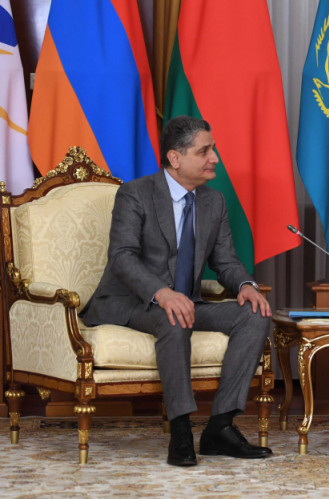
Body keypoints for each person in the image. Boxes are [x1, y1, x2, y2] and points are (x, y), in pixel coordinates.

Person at [81, 116, 273, 466]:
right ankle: (181, 431)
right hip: (130, 302)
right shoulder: (136, 194)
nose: (215, 158)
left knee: (254, 314)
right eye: (204, 151)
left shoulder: (214, 202)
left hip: (188, 302)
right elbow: (122, 257)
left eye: (213, 149)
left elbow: (226, 261)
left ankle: (220, 427)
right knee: (174, 317)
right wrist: (161, 292)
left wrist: (246, 286)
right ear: (175, 157)